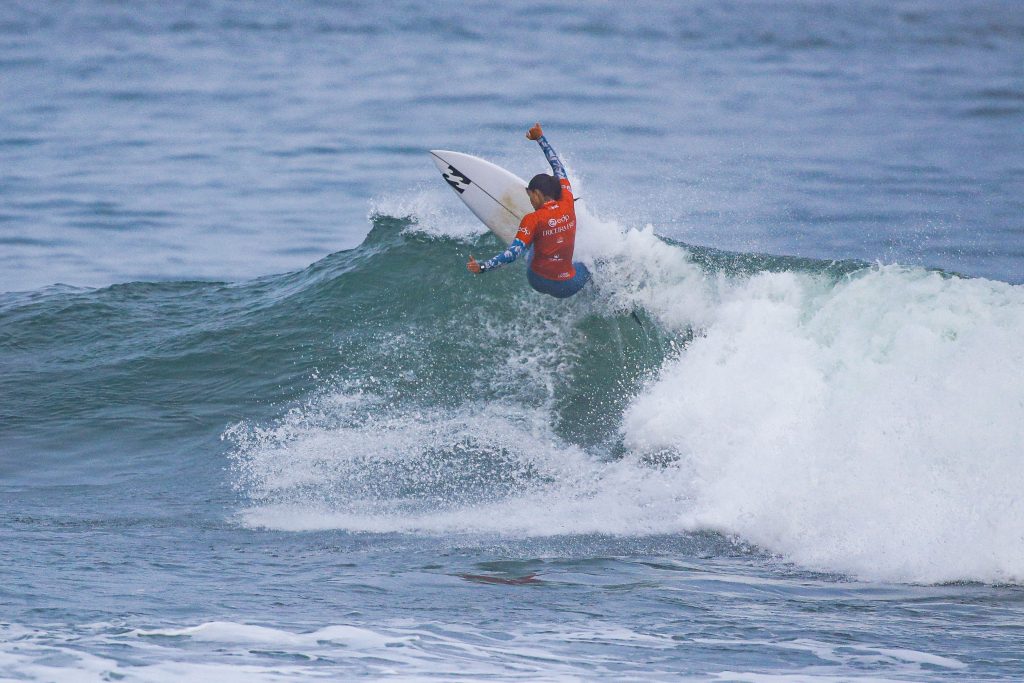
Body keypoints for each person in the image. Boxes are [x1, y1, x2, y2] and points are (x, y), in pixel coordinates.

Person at [466, 123, 591, 299]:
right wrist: (541, 138)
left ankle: (532, 240)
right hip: (566, 286)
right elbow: (558, 168)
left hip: (536, 279)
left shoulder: (532, 219)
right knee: (592, 265)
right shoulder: (568, 201)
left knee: (531, 241)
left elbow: (512, 254)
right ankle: (599, 287)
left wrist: (482, 267)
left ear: (538, 194)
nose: (530, 200)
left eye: (530, 195)